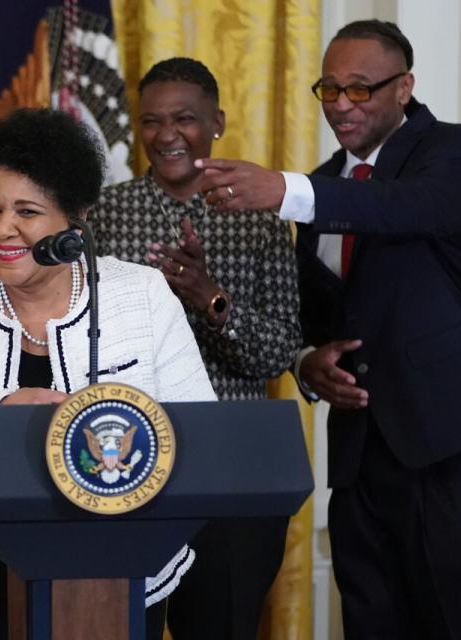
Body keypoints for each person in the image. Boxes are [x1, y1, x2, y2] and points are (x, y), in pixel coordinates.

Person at [196, 20, 461, 640]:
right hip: (358, 459)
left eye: (361, 89)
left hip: (448, 447)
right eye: (330, 89)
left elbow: (407, 208)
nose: (342, 104)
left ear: (405, 88)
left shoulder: (454, 153)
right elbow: (324, 317)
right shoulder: (324, 186)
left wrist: (288, 189)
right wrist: (308, 359)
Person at [0, 108, 216, 639]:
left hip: (117, 572)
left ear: (74, 221)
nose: (1, 228)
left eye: (27, 211)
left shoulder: (141, 295)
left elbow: (198, 431)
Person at [90, 57, 300, 639]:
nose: (165, 135)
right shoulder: (105, 215)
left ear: (218, 123)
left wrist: (211, 299)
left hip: (232, 465)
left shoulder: (259, 220)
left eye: (183, 118)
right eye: (151, 121)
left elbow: (279, 351)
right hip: (127, 456)